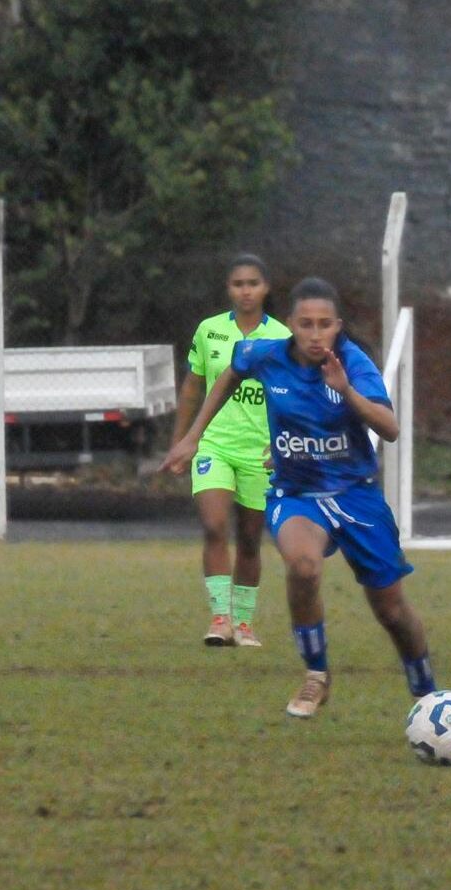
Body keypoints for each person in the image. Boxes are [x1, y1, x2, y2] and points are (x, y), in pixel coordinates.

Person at [161, 276, 437, 719]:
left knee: (391, 609)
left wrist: (345, 391)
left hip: (355, 496)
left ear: (337, 326)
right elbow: (231, 373)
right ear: (289, 324)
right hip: (298, 494)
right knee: (303, 567)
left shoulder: (353, 363)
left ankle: (427, 693)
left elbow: (389, 428)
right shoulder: (266, 355)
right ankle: (316, 675)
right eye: (305, 324)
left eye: (324, 324)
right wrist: (194, 436)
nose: (314, 334)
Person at [173, 254, 290, 647]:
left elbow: (289, 398)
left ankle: (244, 623)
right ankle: (220, 619)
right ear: (229, 289)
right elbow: (193, 386)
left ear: (265, 288)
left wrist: (284, 443)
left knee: (252, 538)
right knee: (213, 526)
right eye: (238, 283)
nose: (246, 291)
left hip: (260, 452)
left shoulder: (283, 336)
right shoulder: (210, 331)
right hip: (215, 445)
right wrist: (182, 439)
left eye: (253, 283)